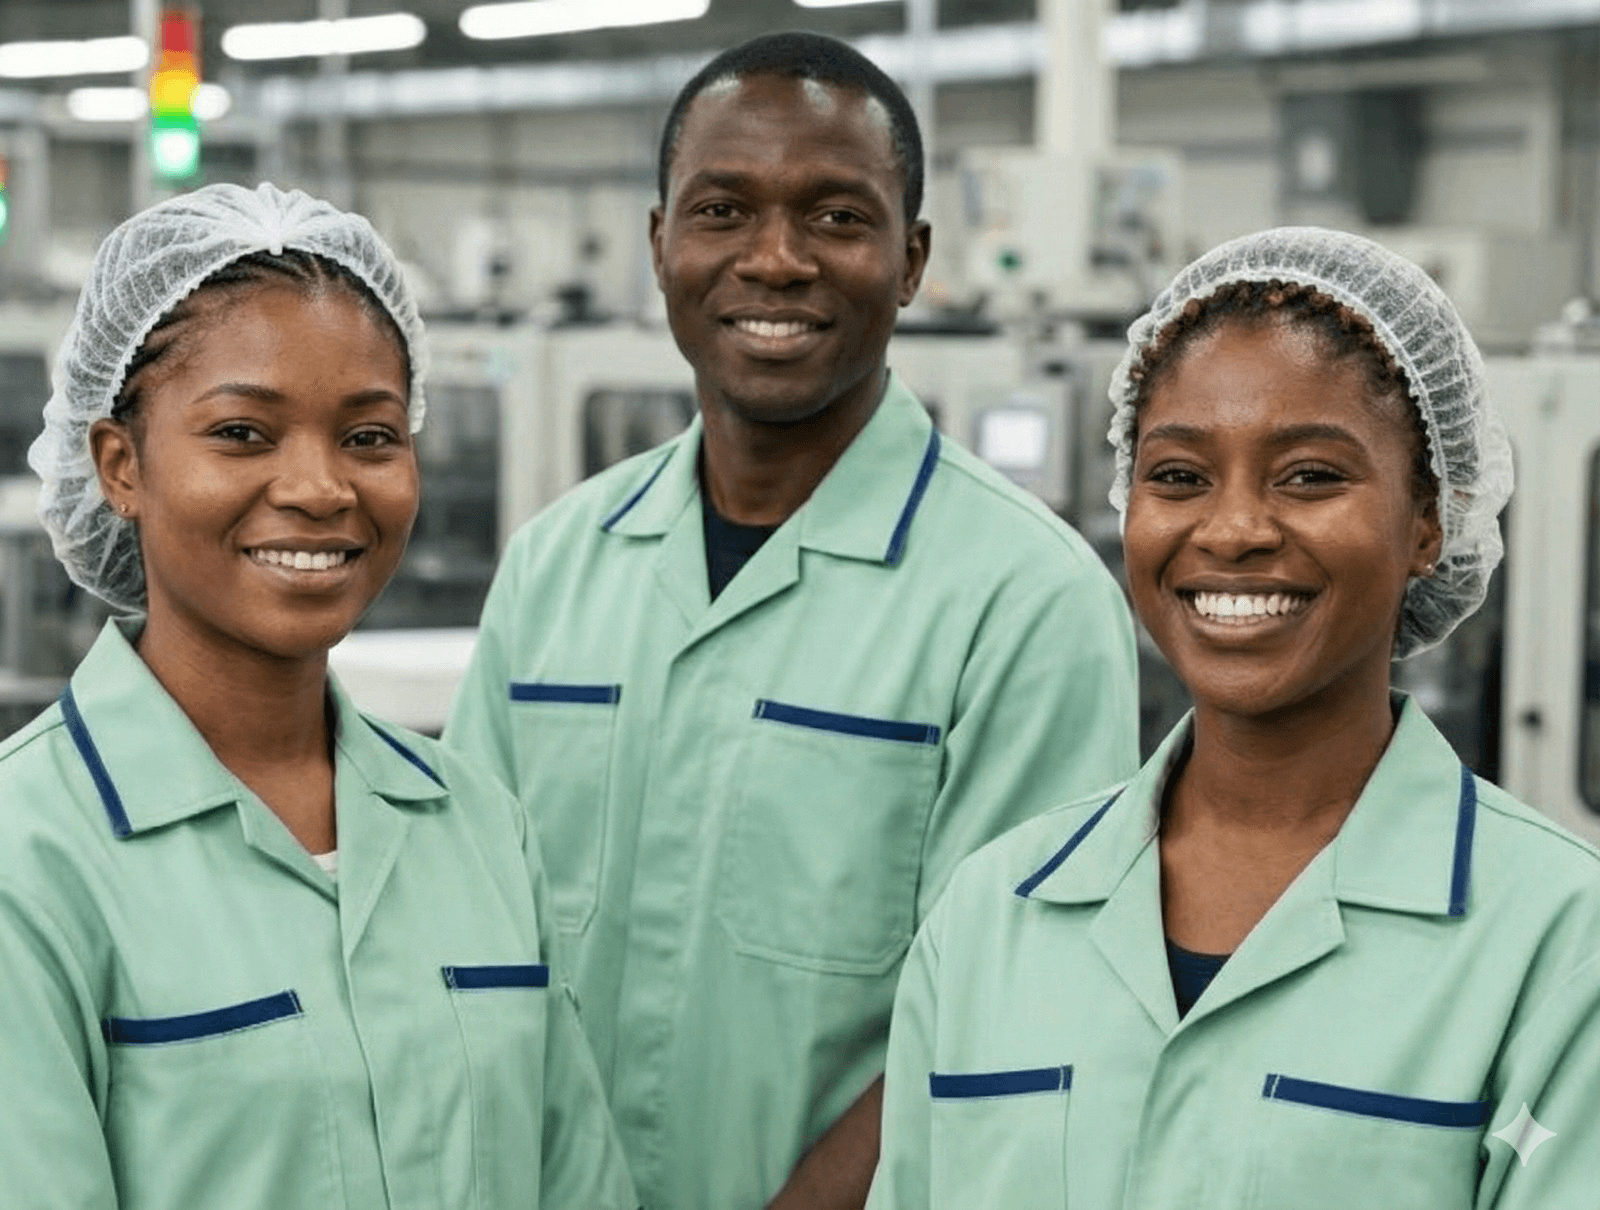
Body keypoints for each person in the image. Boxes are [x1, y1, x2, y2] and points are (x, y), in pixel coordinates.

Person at [444, 30, 1139, 1210]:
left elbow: (998, 1015)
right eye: (722, 210)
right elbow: (463, 938)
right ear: (660, 242)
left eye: (835, 216)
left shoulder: (1025, 602)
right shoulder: (557, 565)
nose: (774, 259)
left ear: (911, 259)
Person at [867, 227, 1600, 1209]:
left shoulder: (1558, 944)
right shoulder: (990, 918)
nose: (1234, 529)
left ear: (1429, 520)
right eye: (1177, 476)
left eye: (1309, 475)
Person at [0, 182, 638, 1210]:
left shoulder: (476, 828)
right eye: (244, 434)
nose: (321, 487)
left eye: (370, 436)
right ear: (120, 464)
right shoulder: (29, 860)